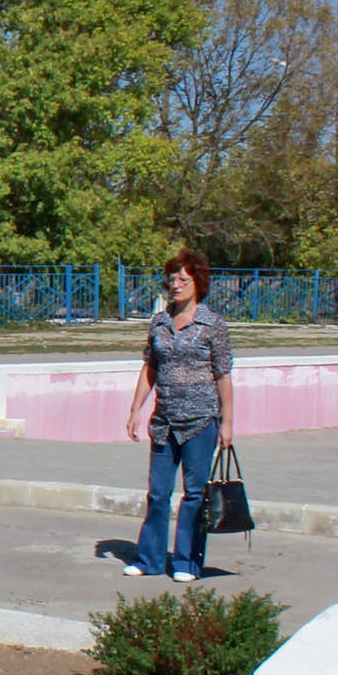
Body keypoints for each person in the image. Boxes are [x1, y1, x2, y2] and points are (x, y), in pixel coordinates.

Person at [122, 249, 233, 584]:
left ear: (197, 283)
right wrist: (135, 409)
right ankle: (150, 558)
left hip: (201, 422)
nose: (176, 285)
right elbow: (150, 367)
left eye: (183, 279)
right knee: (158, 493)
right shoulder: (159, 323)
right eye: (172, 279)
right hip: (164, 422)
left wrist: (227, 422)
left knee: (194, 495)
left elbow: (223, 375)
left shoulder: (212, 324)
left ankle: (186, 561)